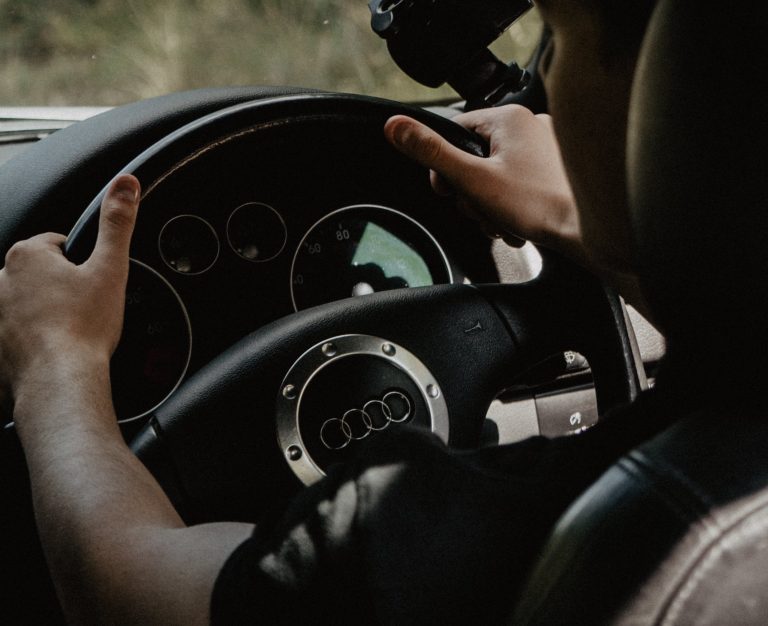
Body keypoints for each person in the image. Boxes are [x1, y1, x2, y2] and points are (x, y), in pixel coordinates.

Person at [0, 0, 661, 623]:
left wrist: (58, 361)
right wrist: (586, 226)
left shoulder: (432, 539)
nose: (541, 82)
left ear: (668, 99)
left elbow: (114, 588)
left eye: (558, 47)